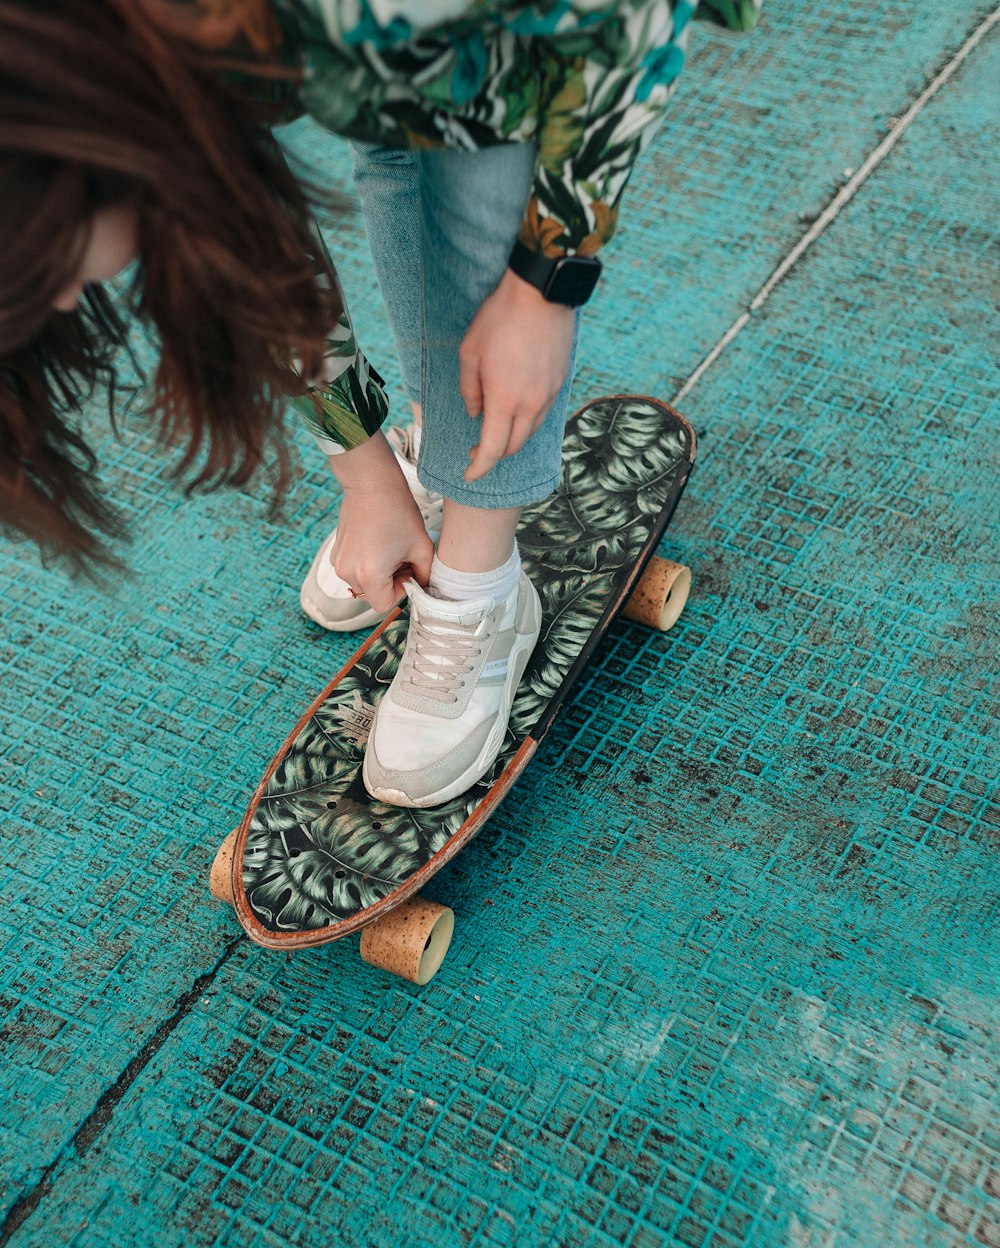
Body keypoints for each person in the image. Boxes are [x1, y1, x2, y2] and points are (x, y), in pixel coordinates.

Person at [0, 0, 761, 807]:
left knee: (476, 165)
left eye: (41, 276)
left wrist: (548, 281)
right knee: (394, 137)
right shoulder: (131, 51)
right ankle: (440, 446)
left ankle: (483, 585)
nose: (58, 304)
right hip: (350, 36)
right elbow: (246, 229)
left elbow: (633, 16)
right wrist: (365, 476)